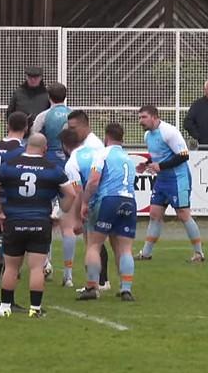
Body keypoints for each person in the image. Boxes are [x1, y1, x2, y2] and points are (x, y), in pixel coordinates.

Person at [0, 134, 77, 318]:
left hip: (14, 220)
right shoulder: (53, 168)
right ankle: (35, 309)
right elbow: (71, 194)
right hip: (40, 221)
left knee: (12, 267)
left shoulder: (10, 165)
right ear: (45, 149)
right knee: (36, 267)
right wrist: (58, 213)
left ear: (26, 145)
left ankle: (4, 306)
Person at [136, 105, 205, 263]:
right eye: (140, 117)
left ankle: (199, 253)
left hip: (177, 178)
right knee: (154, 214)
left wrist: (160, 166)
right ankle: (146, 253)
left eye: (144, 117)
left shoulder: (169, 132)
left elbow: (183, 155)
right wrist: (147, 163)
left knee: (183, 214)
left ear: (154, 117)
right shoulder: (148, 135)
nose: (141, 121)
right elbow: (158, 156)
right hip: (162, 180)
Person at [77, 124, 137, 302]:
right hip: (129, 201)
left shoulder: (102, 154)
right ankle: (126, 289)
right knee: (125, 248)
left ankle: (91, 286)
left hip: (108, 200)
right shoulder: (128, 158)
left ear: (106, 137)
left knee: (94, 244)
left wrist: (85, 202)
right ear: (122, 138)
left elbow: (94, 181)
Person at [31, 82, 74, 284]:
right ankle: (69, 276)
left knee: (44, 217)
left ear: (49, 97)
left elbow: (35, 138)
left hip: (49, 167)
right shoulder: (75, 114)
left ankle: (45, 263)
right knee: (68, 224)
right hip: (70, 165)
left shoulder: (43, 116)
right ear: (65, 97)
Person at [0, 111, 27, 309]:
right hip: (13, 206)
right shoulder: (20, 151)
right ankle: (6, 299)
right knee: (12, 256)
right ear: (25, 128)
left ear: (7, 125)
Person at [65, 110, 110, 290]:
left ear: (85, 125)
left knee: (94, 241)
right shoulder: (84, 145)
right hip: (90, 197)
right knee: (92, 240)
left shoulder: (95, 146)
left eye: (74, 128)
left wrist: (86, 200)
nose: (72, 131)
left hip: (94, 197)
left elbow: (95, 176)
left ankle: (101, 280)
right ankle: (100, 280)